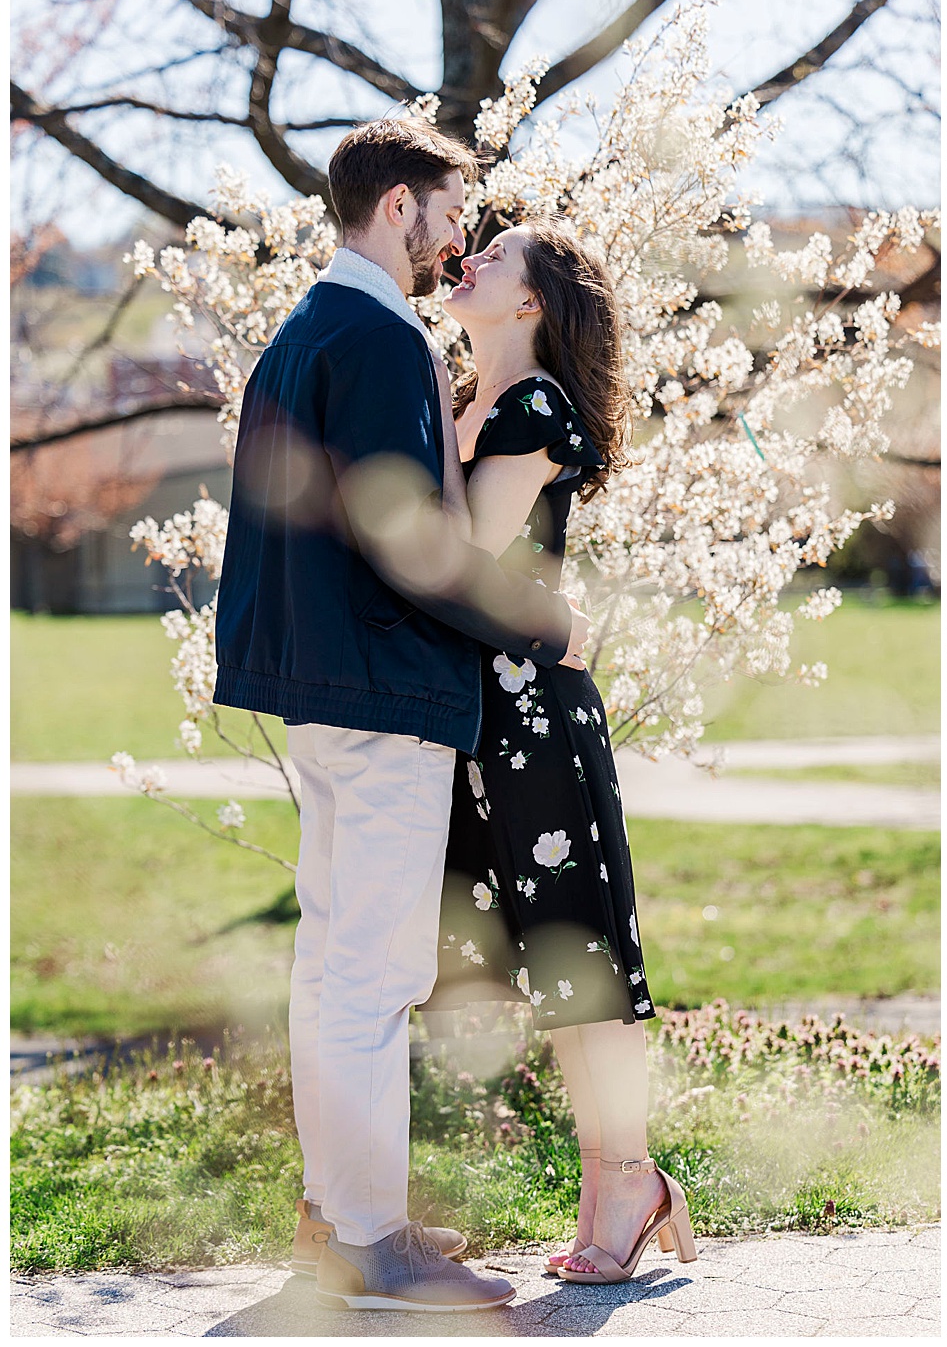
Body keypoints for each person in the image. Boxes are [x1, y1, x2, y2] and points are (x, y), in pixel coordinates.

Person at [214, 117, 590, 1313]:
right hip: (379, 695)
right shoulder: (375, 336)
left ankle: (338, 1216)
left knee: (332, 964)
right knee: (372, 973)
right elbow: (406, 540)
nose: (456, 232)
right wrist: (541, 626)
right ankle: (372, 1245)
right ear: (396, 208)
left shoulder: (314, 328)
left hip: (327, 689)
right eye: (447, 208)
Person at [417, 216, 697, 1284]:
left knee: (584, 961)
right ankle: (617, 1191)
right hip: (483, 719)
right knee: (548, 966)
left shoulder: (532, 407)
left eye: (495, 259)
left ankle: (625, 1182)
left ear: (531, 304)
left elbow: (459, 556)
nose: (468, 260)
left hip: (536, 718)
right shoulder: (459, 399)